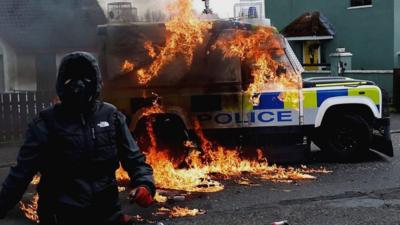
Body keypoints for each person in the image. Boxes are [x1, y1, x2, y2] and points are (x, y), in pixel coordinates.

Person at [0, 52, 155, 225]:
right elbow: (20, 176)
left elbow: (134, 160)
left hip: (107, 216)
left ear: (95, 81)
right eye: (71, 79)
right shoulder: (45, 123)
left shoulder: (111, 116)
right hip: (61, 219)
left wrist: (144, 185)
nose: (78, 86)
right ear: (61, 82)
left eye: (85, 78)